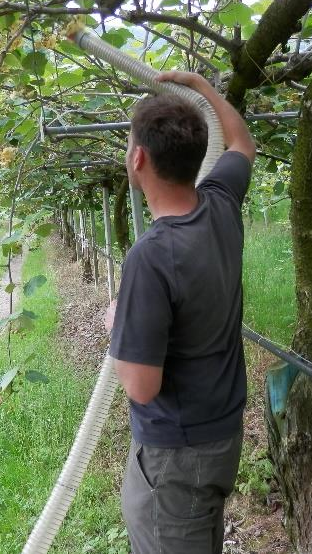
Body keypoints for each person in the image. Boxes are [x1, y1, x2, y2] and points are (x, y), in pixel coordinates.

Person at [104, 70, 256, 554]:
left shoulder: (151, 256)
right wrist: (203, 89)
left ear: (138, 158)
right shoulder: (221, 204)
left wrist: (116, 324)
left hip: (176, 455)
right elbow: (242, 143)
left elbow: (141, 387)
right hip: (220, 435)